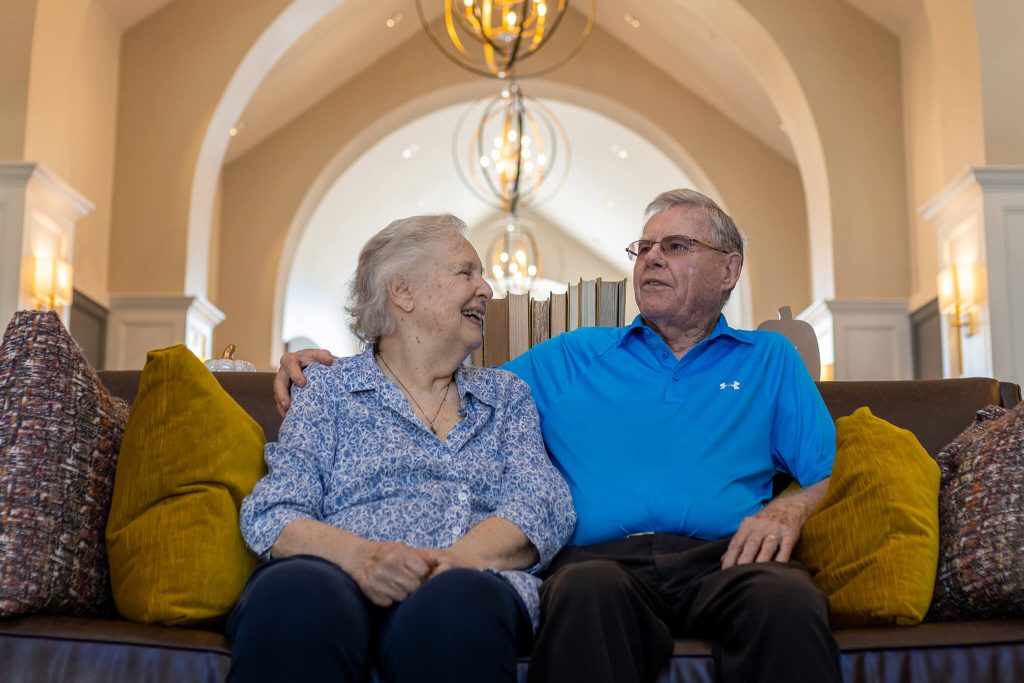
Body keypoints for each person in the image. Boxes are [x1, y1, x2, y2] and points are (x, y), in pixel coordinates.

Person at [276, 190, 842, 683]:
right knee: (583, 595)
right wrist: (317, 366)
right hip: (603, 563)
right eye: (643, 249)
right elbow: (429, 374)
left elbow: (826, 472)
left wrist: (787, 513)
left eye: (675, 247)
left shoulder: (771, 359)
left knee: (788, 600)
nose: (651, 260)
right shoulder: (574, 355)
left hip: (728, 560)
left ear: (729, 269)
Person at [229, 214, 576, 683]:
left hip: (469, 581)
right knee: (295, 595)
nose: (487, 289)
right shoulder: (328, 390)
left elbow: (543, 500)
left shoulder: (505, 396)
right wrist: (365, 560)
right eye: (465, 272)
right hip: (340, 575)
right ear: (402, 291)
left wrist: (455, 562)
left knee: (456, 604)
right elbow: (274, 512)